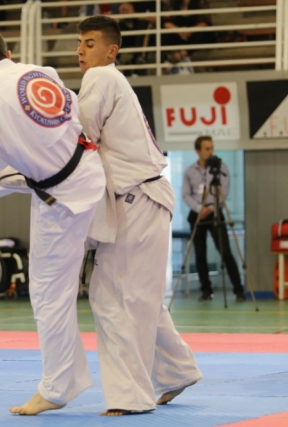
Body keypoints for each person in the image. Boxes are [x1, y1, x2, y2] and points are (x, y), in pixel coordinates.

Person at [0, 27, 105, 415]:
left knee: (48, 292)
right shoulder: (40, 71)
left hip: (63, 198)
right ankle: (174, 370)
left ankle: (57, 388)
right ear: (8, 52)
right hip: (91, 166)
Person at [76, 15, 202, 416]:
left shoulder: (100, 77)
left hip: (137, 198)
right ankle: (177, 370)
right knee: (137, 296)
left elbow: (81, 138)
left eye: (90, 43)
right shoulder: (115, 81)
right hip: (143, 197)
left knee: (119, 298)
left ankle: (131, 396)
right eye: (79, 43)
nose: (80, 50)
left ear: (111, 50)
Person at [182, 136, 245, 302]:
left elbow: (224, 190)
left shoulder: (220, 168)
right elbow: (186, 194)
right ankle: (206, 290)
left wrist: (210, 208)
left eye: (212, 148)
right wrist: (199, 208)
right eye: (207, 148)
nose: (210, 151)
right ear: (198, 151)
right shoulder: (189, 171)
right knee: (200, 254)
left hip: (215, 210)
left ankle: (238, 289)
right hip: (197, 213)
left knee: (225, 251)